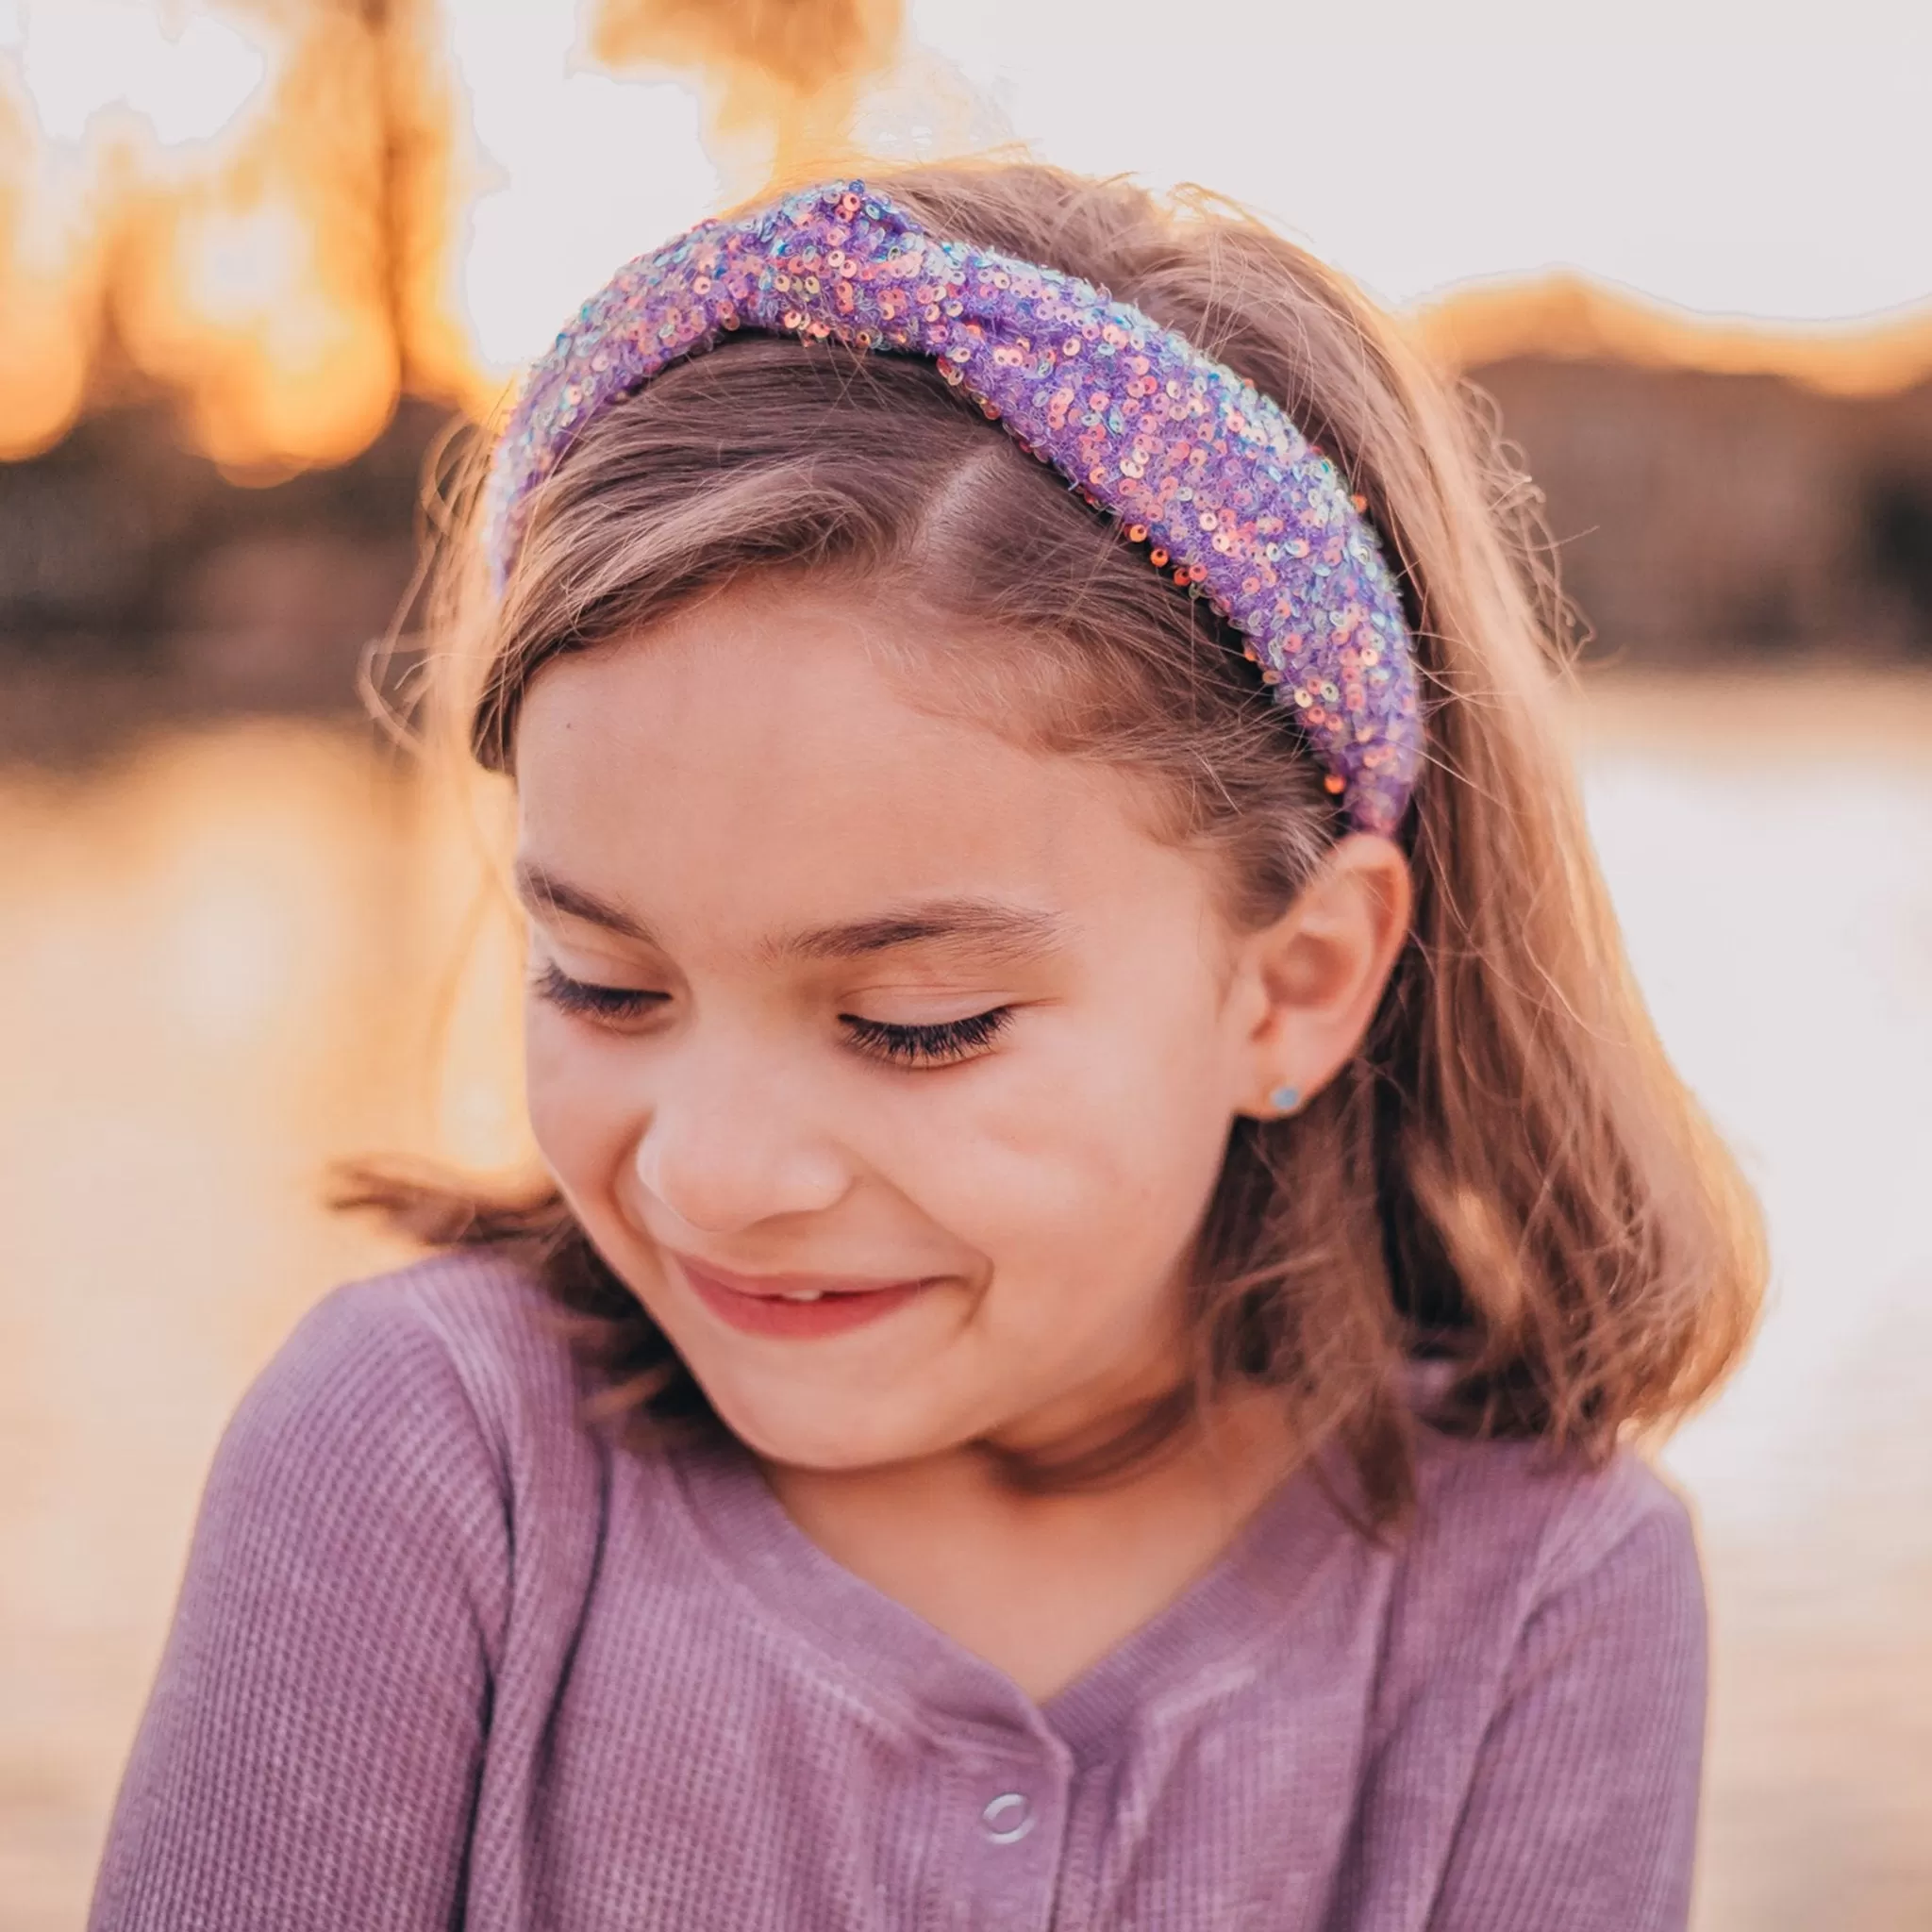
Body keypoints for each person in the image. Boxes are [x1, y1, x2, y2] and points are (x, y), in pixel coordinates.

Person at [89, 164, 1763, 1931]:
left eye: (916, 1026)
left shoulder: (1545, 1598)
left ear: (1292, 986)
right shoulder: (422, 1459)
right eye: (601, 982)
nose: (715, 1173)